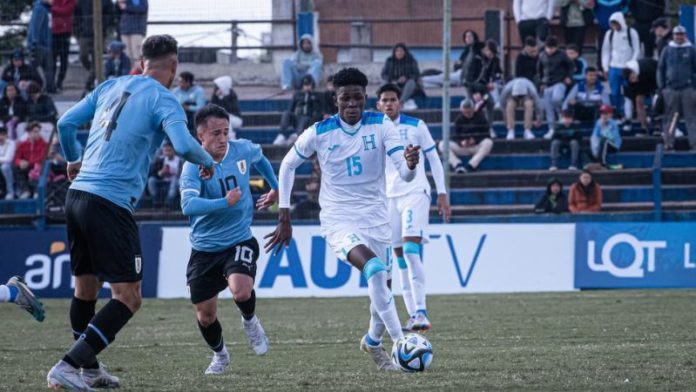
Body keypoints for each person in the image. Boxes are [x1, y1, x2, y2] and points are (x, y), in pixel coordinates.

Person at [47, 34, 215, 390]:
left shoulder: (111, 85)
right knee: (129, 297)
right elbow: (184, 145)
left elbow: (65, 125)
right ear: (174, 66)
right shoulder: (165, 99)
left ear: (141, 62)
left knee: (86, 289)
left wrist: (73, 159)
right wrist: (207, 161)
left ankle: (89, 371)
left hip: (77, 197)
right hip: (109, 201)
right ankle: (66, 366)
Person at [264, 67, 419, 372]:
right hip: (339, 219)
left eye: (358, 98)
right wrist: (285, 215)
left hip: (376, 219)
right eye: (345, 98)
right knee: (374, 270)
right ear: (335, 99)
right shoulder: (319, 132)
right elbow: (287, 166)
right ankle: (402, 343)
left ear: (366, 99)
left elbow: (404, 172)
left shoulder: (382, 125)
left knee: (384, 290)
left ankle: (373, 342)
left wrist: (412, 165)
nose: (352, 104)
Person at [180, 104, 279, 375]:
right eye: (215, 134)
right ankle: (220, 356)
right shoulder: (193, 166)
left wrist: (275, 187)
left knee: (241, 290)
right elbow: (187, 205)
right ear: (201, 136)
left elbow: (260, 159)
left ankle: (250, 322)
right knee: (205, 315)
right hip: (204, 249)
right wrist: (225, 202)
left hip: (239, 240)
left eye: (225, 132)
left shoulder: (242, 149)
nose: (223, 139)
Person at [376, 83, 450, 331]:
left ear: (400, 103)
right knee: (399, 258)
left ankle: (421, 310)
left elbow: (434, 159)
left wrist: (442, 192)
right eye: (384, 100)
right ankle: (413, 315)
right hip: (389, 197)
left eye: (393, 100)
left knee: (410, 249)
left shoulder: (416, 126)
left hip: (415, 192)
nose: (388, 104)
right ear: (378, 105)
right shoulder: (374, 129)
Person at [657, 26, 696, 151]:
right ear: (673, 35)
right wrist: (662, 87)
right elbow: (660, 68)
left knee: (691, 118)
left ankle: (694, 144)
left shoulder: (691, 50)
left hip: (688, 89)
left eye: (681, 34)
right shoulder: (667, 50)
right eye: (676, 34)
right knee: (670, 118)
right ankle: (668, 143)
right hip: (671, 89)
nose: (678, 37)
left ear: (685, 35)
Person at [601, 12, 640, 120]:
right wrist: (605, 67)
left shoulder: (631, 32)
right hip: (614, 67)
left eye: (616, 24)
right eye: (612, 25)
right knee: (614, 92)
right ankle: (617, 114)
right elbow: (605, 51)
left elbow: (636, 50)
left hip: (627, 68)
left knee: (628, 92)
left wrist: (632, 65)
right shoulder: (609, 34)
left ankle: (629, 115)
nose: (615, 27)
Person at [440, 99, 494, 173]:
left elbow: (487, 134)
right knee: (442, 144)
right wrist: (461, 142)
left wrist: (475, 140)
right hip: (463, 147)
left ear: (473, 109)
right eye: (465, 112)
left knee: (488, 142)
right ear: (462, 111)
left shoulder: (480, 118)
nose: (467, 114)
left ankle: (472, 164)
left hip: (476, 146)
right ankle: (457, 164)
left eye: (469, 112)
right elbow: (454, 136)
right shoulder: (458, 120)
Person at [73, 0, 114, 90]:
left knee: (97, 59)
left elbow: (111, 13)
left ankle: (89, 82)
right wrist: (78, 30)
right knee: (83, 56)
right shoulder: (81, 2)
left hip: (99, 34)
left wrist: (104, 26)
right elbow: (76, 15)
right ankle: (94, 74)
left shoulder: (106, 2)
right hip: (84, 34)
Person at [538, 36, 574, 139]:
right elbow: (539, 70)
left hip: (559, 82)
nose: (549, 50)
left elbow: (570, 67)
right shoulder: (542, 55)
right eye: (548, 48)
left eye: (552, 48)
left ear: (556, 47)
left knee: (557, 98)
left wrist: (568, 77)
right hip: (547, 84)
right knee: (548, 108)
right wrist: (540, 83)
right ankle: (551, 129)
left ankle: (560, 111)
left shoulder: (562, 55)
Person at [275, 75, 322, 146]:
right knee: (286, 113)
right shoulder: (297, 94)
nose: (307, 86)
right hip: (296, 117)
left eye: (309, 84)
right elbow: (291, 108)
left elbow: (318, 109)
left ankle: (296, 136)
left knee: (304, 119)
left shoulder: (316, 95)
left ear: (312, 85)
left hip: (307, 119)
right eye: (305, 85)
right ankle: (281, 135)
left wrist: (312, 96)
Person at [381, 43, 422, 111]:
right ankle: (385, 101)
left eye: (401, 51)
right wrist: (393, 80)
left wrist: (406, 78)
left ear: (405, 52)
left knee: (412, 82)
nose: (399, 53)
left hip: (406, 85)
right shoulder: (389, 61)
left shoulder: (411, 60)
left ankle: (401, 102)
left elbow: (416, 74)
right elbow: (384, 74)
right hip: (393, 83)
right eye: (397, 51)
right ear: (394, 52)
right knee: (384, 83)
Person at [27, 0, 56, 93]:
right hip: (40, 45)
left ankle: (50, 89)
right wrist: (35, 42)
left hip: (46, 44)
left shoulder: (47, 10)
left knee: (48, 69)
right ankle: (35, 89)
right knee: (36, 68)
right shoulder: (40, 9)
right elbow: (35, 27)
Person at [13, 122, 48, 199]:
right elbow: (16, 158)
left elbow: (41, 158)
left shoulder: (44, 144)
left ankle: (36, 192)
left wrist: (27, 163)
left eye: (39, 131)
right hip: (26, 166)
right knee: (16, 167)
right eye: (35, 131)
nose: (38, 133)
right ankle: (26, 191)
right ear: (29, 133)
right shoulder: (22, 144)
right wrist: (20, 162)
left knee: (38, 168)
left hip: (37, 166)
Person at [624, 58, 657, 135]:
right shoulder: (630, 82)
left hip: (654, 76)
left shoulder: (647, 68)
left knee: (656, 100)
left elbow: (657, 79)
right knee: (638, 101)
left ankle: (657, 124)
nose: (633, 80)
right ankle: (643, 126)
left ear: (633, 72)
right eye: (631, 79)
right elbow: (632, 96)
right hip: (642, 81)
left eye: (633, 77)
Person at [593, 0, 629, 69]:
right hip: (602, 26)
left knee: (618, 47)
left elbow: (626, 7)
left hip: (617, 27)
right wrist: (598, 18)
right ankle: (601, 68)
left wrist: (620, 15)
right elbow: (593, 8)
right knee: (602, 47)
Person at [147, 142, 181, 208]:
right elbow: (154, 173)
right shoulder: (161, 160)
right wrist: (161, 172)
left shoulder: (179, 161)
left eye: (169, 150)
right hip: (162, 180)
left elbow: (181, 174)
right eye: (166, 151)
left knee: (174, 180)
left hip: (174, 181)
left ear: (173, 151)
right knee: (151, 180)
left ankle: (168, 201)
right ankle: (156, 200)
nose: (167, 153)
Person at [51, 0, 75, 91]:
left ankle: (59, 82)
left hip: (65, 32)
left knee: (63, 58)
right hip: (54, 32)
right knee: (52, 58)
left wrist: (53, 9)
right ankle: (52, 82)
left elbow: (67, 11)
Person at [0, 128, 16, 199]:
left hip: (10, 165)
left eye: (3, 135)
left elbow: (8, 159)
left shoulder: (11, 143)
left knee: (5, 167)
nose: (1, 137)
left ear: (6, 136)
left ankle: (10, 192)